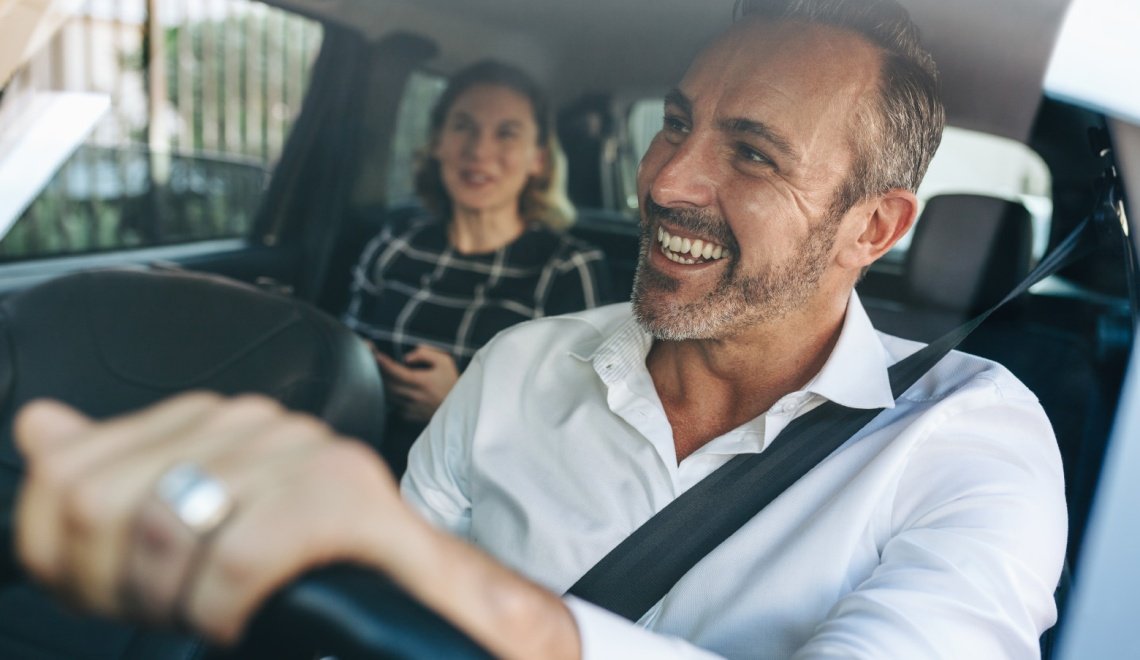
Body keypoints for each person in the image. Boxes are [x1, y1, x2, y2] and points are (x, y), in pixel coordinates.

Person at [12, 0, 1066, 658]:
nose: (664, 180)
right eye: (676, 123)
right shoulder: (522, 367)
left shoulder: (969, 439)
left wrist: (507, 621)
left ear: (872, 227)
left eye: (751, 153)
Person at [342, 60, 610, 475]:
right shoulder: (396, 242)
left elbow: (578, 430)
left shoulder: (568, 268)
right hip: (358, 463)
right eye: (463, 126)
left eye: (507, 132)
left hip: (477, 491)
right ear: (437, 144)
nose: (479, 151)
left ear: (537, 159)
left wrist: (460, 404)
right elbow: (347, 348)